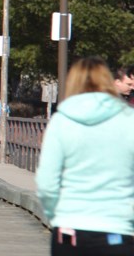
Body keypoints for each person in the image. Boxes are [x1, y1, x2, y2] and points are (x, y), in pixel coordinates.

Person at [36, 57, 134, 255]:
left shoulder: (61, 121)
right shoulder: (128, 120)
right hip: (117, 228)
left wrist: (57, 215)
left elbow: (47, 182)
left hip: (69, 227)